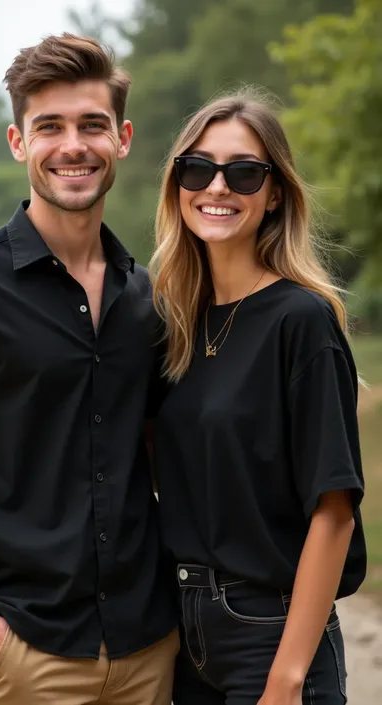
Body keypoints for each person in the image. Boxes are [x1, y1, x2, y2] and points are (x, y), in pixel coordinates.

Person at [0, 33, 178, 705]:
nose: (73, 145)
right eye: (48, 126)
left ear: (123, 138)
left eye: (92, 124)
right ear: (17, 142)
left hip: (149, 649)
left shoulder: (148, 296)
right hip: (25, 657)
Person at [150, 91, 366, 705]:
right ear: (178, 183)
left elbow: (335, 511)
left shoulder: (300, 321)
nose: (217, 187)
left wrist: (286, 678)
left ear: (274, 193)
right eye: (198, 168)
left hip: (271, 632)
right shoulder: (175, 325)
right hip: (182, 630)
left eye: (243, 172)